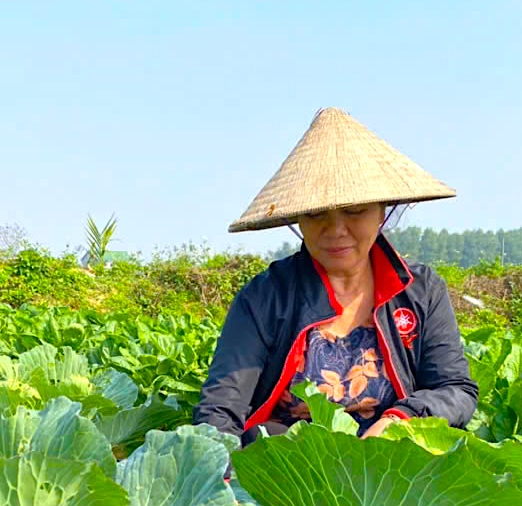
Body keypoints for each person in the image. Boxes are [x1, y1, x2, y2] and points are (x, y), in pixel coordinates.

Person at [193, 107, 479, 446]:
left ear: (381, 211)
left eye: (355, 211)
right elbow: (220, 410)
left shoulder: (420, 291)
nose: (336, 229)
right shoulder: (265, 297)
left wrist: (402, 419)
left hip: (394, 464)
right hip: (293, 470)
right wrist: (220, 478)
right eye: (316, 214)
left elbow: (457, 391)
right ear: (298, 219)